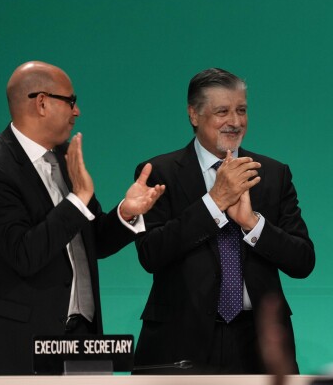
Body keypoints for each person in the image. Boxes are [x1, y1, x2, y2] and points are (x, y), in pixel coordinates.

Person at [0, 61, 165, 375]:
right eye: (70, 101)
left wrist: (126, 213)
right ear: (41, 102)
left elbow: (91, 242)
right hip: (19, 349)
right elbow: (25, 254)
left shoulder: (64, 158)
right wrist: (78, 199)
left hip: (81, 342)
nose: (77, 111)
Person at [132, 68, 315, 374]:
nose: (235, 121)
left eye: (241, 110)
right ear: (194, 115)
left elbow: (303, 260)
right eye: (222, 111)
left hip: (259, 343)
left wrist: (253, 224)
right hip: (180, 338)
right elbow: (151, 253)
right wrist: (213, 203)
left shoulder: (272, 173)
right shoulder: (159, 173)